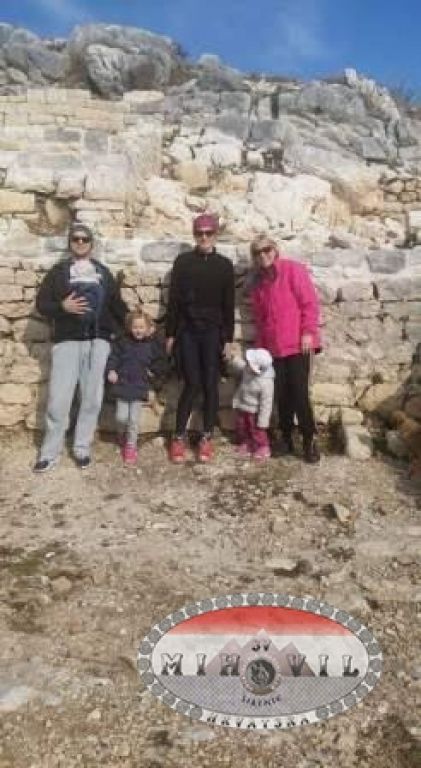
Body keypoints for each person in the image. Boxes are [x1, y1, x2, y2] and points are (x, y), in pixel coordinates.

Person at [33, 223, 128, 472]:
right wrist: (61, 307)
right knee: (58, 399)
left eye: (85, 239)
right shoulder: (58, 273)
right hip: (67, 340)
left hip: (98, 341)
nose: (80, 243)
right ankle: (49, 452)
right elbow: (42, 304)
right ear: (70, 243)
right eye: (76, 239)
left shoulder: (103, 272)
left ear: (91, 244)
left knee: (91, 398)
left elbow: (117, 305)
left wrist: (131, 325)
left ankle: (82, 447)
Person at [165, 213, 235, 463]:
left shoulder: (224, 265)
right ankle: (178, 437)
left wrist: (229, 338)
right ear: (194, 235)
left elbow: (228, 304)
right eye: (199, 233)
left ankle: (206, 437)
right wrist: (170, 334)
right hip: (188, 330)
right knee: (192, 383)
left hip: (213, 331)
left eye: (208, 233)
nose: (204, 237)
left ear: (216, 235)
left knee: (210, 384)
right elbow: (173, 300)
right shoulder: (183, 262)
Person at [248, 235, 321, 463]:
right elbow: (260, 320)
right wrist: (259, 352)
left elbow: (309, 303)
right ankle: (286, 437)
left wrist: (308, 332)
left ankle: (309, 438)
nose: (263, 255)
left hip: (298, 344)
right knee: (281, 395)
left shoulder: (293, 270)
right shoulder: (258, 283)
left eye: (266, 250)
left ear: (275, 249)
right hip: (273, 349)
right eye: (257, 252)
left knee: (299, 394)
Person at [106, 309, 167, 465]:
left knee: (134, 420)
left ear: (147, 329)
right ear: (130, 328)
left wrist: (154, 372)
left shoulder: (151, 345)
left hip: (139, 386)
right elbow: (114, 357)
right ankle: (121, 433)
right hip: (122, 385)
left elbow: (159, 361)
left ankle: (131, 446)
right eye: (135, 327)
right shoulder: (123, 342)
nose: (138, 330)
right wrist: (111, 370)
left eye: (141, 327)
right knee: (121, 417)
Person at [231, 348, 275, 460]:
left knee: (256, 431)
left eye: (249, 363)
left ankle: (263, 447)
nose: (247, 364)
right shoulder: (247, 370)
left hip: (255, 412)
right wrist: (233, 359)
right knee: (242, 427)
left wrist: (263, 421)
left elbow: (266, 404)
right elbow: (241, 366)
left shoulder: (266, 383)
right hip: (243, 406)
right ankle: (247, 443)